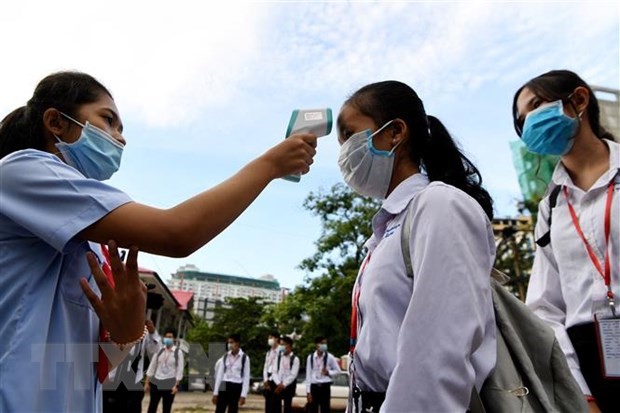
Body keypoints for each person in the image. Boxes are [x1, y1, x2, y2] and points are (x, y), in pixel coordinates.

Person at [0, 71, 317, 413]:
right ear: (55, 122)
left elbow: (90, 359)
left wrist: (126, 334)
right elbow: (175, 233)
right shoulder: (21, 171)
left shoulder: (88, 239)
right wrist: (270, 165)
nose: (119, 139)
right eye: (108, 120)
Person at [338, 80, 496, 412]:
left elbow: (439, 351)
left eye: (349, 136)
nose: (343, 154)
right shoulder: (386, 229)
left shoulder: (440, 205)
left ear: (395, 132)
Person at [514, 69, 620, 413]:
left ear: (578, 100)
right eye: (522, 118)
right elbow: (545, 308)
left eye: (536, 105)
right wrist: (580, 393)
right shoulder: (551, 206)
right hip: (588, 361)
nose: (529, 120)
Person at [102, 321, 153, 412]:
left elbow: (154, 351)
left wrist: (153, 333)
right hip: (111, 382)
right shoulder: (112, 327)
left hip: (132, 384)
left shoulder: (144, 333)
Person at [144, 328, 184, 413]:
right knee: (152, 406)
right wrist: (147, 383)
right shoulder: (159, 350)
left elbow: (179, 370)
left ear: (174, 338)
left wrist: (176, 386)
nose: (168, 339)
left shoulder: (178, 352)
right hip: (156, 381)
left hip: (170, 383)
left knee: (167, 407)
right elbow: (152, 366)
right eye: (166, 337)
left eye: (170, 337)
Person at [212, 334, 251, 413]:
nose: (229, 345)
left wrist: (243, 395)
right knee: (220, 409)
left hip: (236, 386)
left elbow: (246, 377)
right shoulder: (225, 356)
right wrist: (215, 393)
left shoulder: (244, 358)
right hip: (225, 384)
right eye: (228, 342)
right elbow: (219, 375)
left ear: (237, 343)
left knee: (233, 409)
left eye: (232, 342)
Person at [305, 336, 342, 413]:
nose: (324, 345)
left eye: (325, 343)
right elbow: (308, 375)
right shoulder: (310, 357)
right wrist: (308, 392)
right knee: (313, 409)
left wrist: (328, 372)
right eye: (322, 343)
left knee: (325, 409)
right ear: (317, 345)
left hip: (325, 386)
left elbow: (338, 371)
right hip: (314, 387)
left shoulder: (330, 357)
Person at [271, 336, 300, 413]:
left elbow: (293, 375)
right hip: (278, 385)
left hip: (288, 386)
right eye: (281, 344)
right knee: (276, 407)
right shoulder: (278, 357)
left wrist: (283, 384)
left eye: (283, 344)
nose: (281, 347)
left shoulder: (295, 359)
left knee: (287, 407)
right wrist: (278, 383)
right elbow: (274, 372)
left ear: (289, 345)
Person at [262, 331, 281, 413]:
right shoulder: (269, 352)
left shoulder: (281, 351)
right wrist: (265, 379)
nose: (269, 340)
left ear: (276, 339)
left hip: (277, 378)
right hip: (269, 378)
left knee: (276, 403)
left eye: (271, 338)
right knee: (268, 403)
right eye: (269, 338)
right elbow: (266, 366)